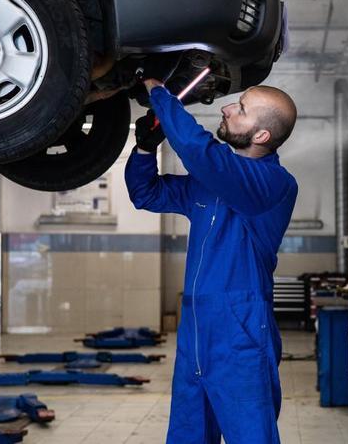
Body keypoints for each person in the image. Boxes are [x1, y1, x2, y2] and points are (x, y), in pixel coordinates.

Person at [124, 61, 298, 444]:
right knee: (188, 436)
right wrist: (143, 149)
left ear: (262, 134)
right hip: (196, 334)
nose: (226, 109)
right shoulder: (212, 184)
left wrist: (159, 92)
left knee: (251, 437)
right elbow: (147, 194)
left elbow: (200, 153)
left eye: (241, 109)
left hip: (240, 335)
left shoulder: (273, 184)